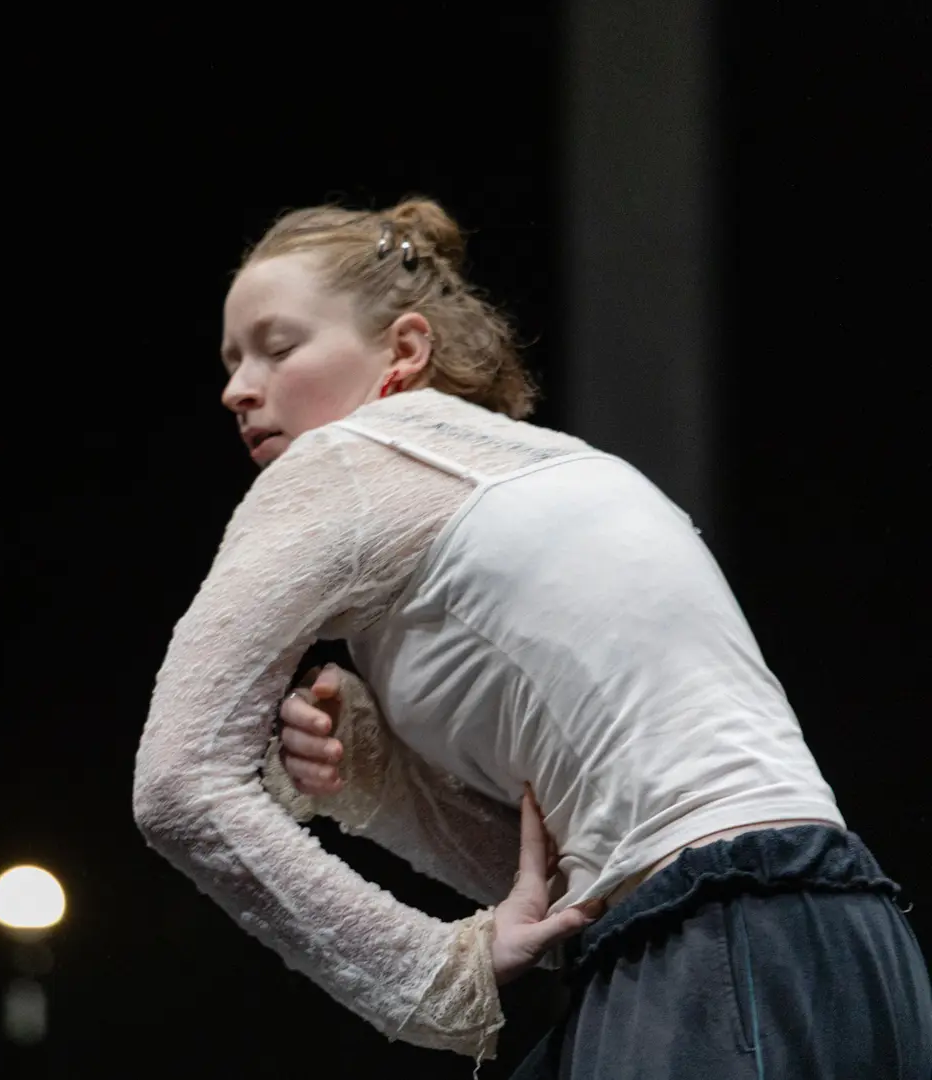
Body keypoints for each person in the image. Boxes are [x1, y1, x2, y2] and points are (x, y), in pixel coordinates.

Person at [131, 198, 932, 1076]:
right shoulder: (554, 464)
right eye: (232, 360)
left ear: (404, 350)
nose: (237, 387)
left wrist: (431, 969)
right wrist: (382, 777)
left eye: (277, 348)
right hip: (843, 941)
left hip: (716, 937)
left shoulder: (346, 461)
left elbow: (179, 783)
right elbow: (569, 882)